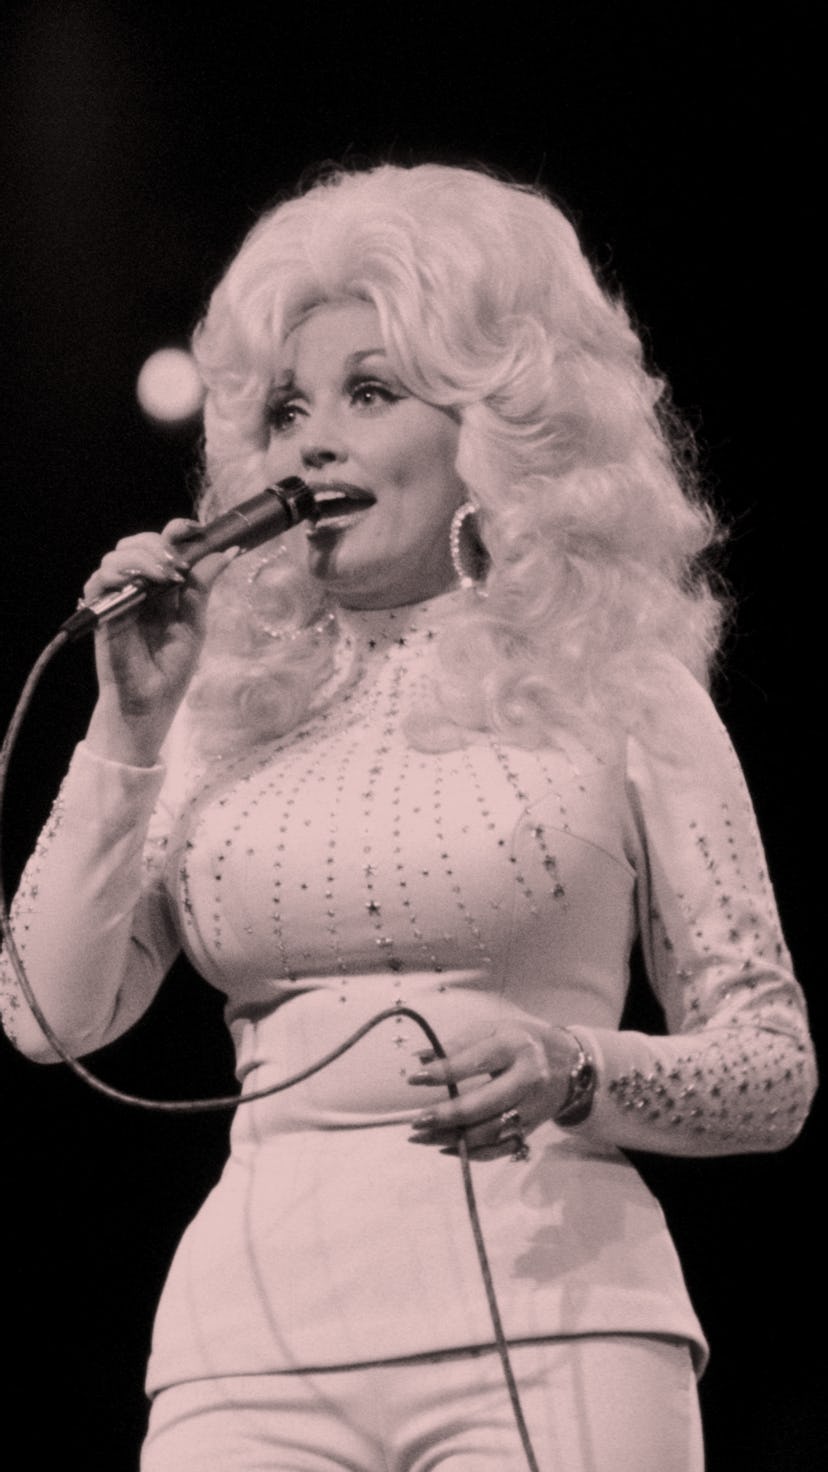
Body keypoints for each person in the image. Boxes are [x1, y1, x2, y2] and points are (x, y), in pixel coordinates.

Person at [0, 161, 816, 1472]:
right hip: (245, 1349)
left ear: (489, 425)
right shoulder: (215, 707)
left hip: (558, 1324)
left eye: (369, 393)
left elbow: (770, 1068)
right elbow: (48, 1017)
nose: (309, 444)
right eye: (284, 410)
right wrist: (129, 728)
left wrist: (580, 1069)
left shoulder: (621, 684)